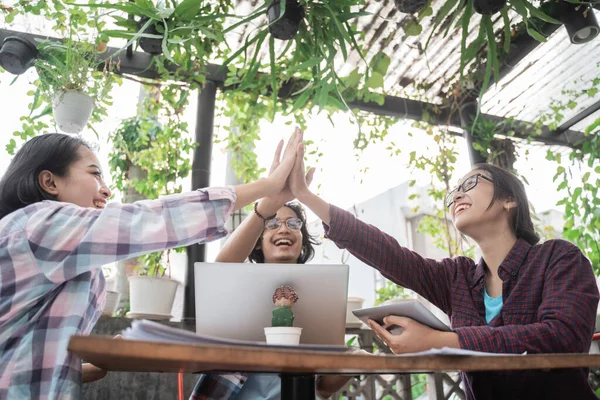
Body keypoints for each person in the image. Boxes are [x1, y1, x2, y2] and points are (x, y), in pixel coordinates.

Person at [286, 139, 600, 400]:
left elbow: (562, 336)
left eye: (471, 183)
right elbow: (389, 254)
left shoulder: (559, 258)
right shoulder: (457, 277)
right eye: (453, 193)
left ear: (509, 200)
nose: (457, 195)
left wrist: (443, 340)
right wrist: (305, 196)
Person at [0, 130, 303, 400]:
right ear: (49, 181)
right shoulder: (38, 225)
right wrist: (267, 186)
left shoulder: (59, 253)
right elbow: (150, 221)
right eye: (95, 174)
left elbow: (22, 362)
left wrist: (95, 365)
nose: (106, 190)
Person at [190, 129, 354, 399]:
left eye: (294, 224)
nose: (284, 229)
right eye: (273, 224)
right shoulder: (235, 286)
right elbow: (219, 268)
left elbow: (323, 388)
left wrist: (350, 362)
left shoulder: (322, 294)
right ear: (258, 239)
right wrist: (267, 204)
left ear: (302, 238)